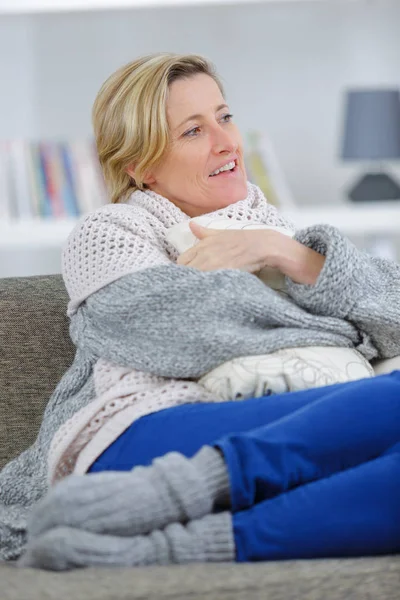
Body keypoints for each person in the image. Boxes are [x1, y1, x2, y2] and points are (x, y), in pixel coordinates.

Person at [15, 53, 400, 570]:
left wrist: (286, 253)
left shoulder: (280, 236)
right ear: (141, 166)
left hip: (294, 424)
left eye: (225, 117)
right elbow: (193, 331)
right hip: (139, 434)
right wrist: (349, 326)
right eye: (193, 131)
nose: (225, 142)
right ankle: (188, 488)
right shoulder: (109, 234)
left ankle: (172, 548)